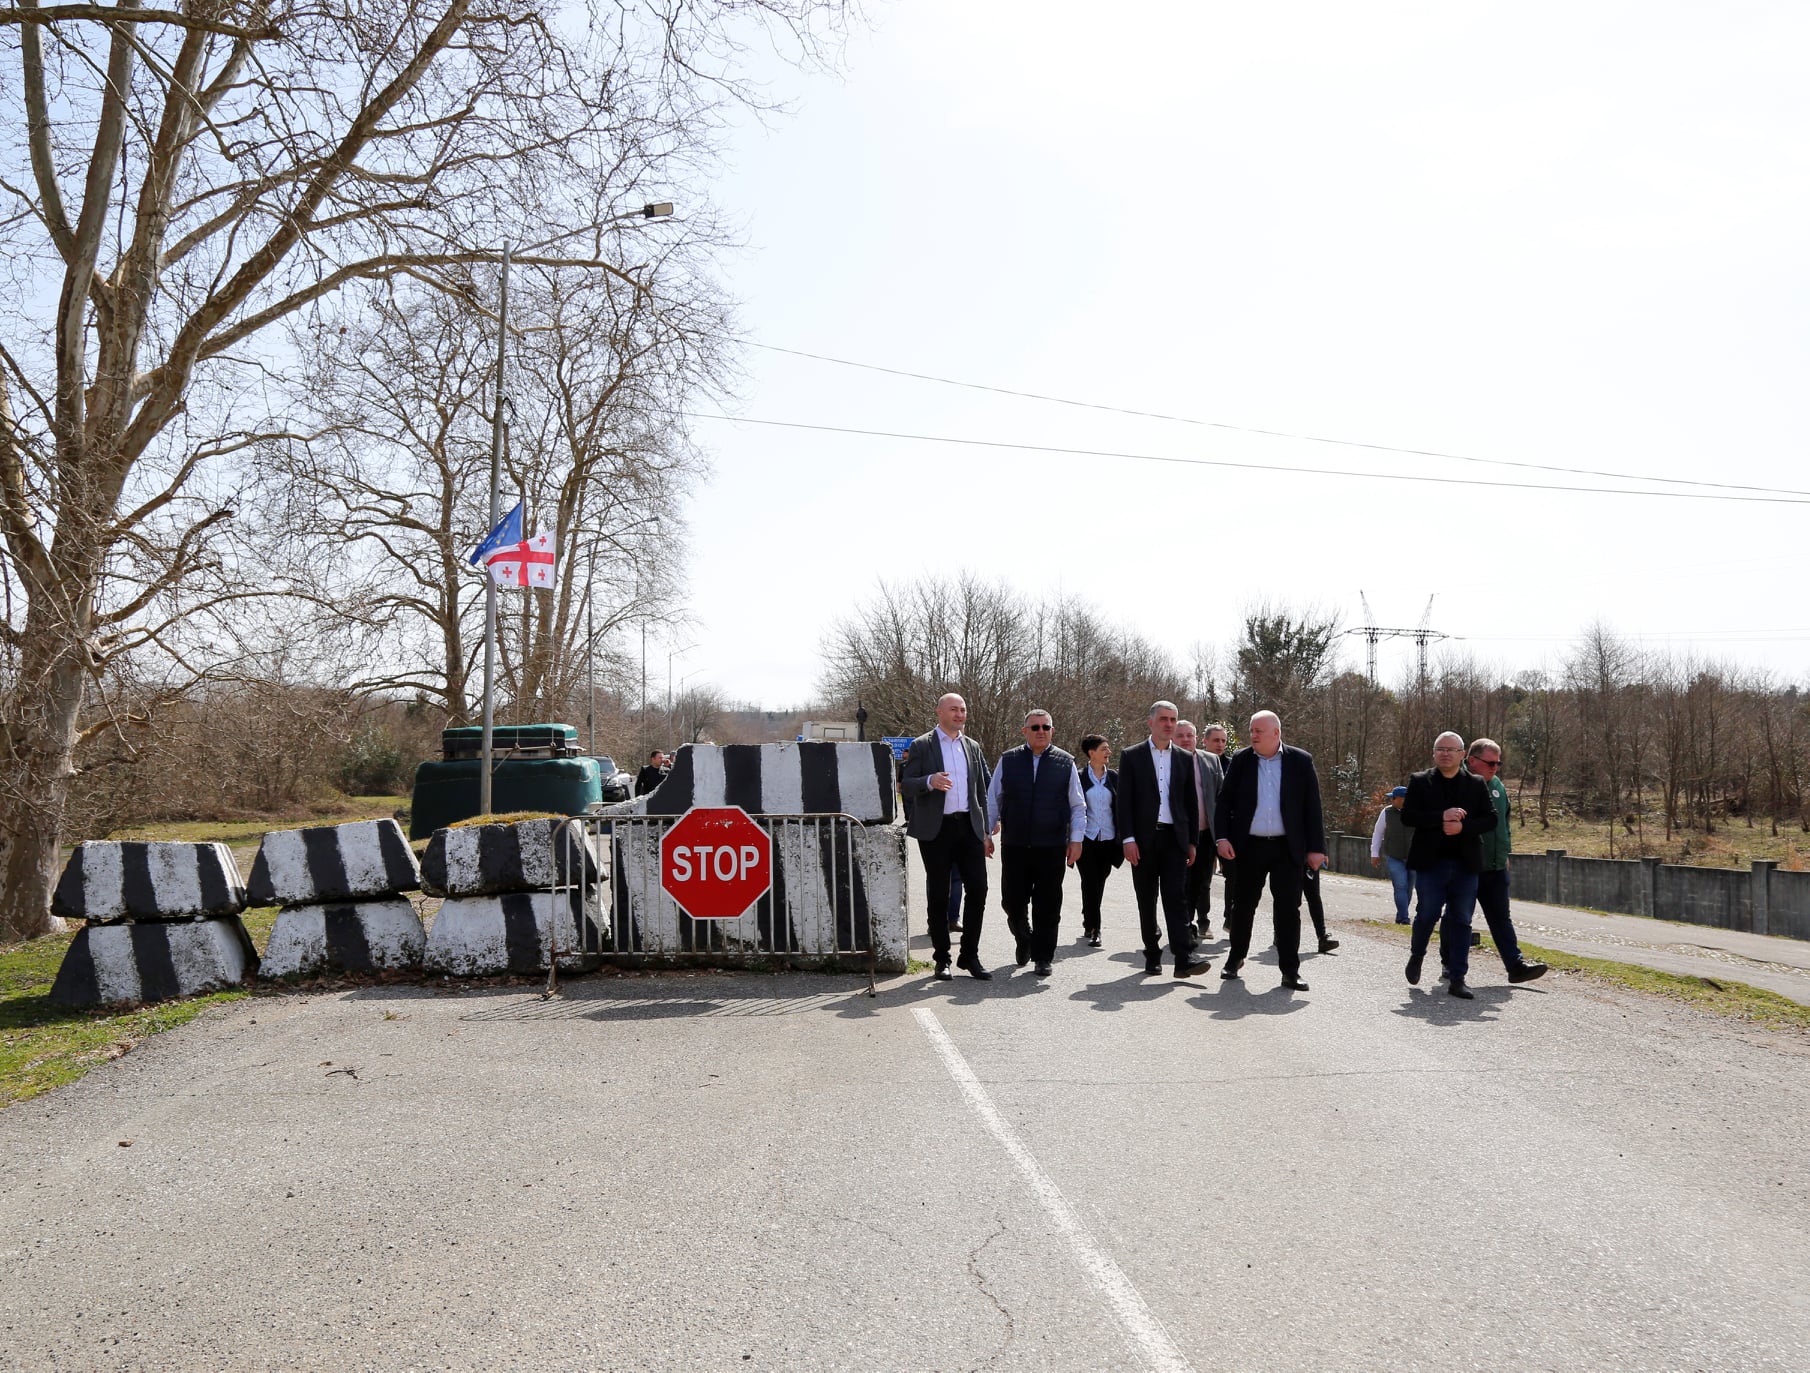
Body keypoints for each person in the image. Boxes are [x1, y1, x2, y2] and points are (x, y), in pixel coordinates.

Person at [1214, 710, 1326, 992]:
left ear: (1276, 733)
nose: (1253, 735)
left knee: (1288, 909)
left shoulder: (1300, 761)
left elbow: (1313, 807)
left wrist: (1316, 848)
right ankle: (1235, 958)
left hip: (1287, 848)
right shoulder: (1241, 760)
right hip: (1249, 846)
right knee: (1243, 906)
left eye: (1259, 731)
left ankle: (1290, 971)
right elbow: (1224, 802)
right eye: (1251, 730)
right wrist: (1222, 838)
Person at [899, 693, 995, 981]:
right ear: (939, 712)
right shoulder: (922, 745)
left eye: (963, 709)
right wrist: (930, 781)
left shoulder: (972, 746)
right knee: (939, 894)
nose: (959, 714)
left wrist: (986, 830)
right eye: (953, 709)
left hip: (968, 826)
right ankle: (942, 958)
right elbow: (906, 784)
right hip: (936, 829)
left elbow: (981, 791)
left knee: (978, 889)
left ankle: (969, 956)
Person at [1114, 701, 1212, 979]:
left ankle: (1183, 958)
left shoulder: (1183, 757)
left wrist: (1192, 841)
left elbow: (1190, 802)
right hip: (1143, 840)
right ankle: (1152, 952)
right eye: (1164, 719)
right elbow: (1124, 802)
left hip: (1174, 839)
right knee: (1147, 899)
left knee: (1176, 898)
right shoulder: (1132, 756)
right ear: (1151, 722)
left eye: (1173, 719)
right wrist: (1128, 839)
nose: (1169, 724)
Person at [985, 709, 1085, 977]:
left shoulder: (1065, 762)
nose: (1041, 731)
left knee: (1048, 904)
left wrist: (1076, 840)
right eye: (1035, 727)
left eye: (1046, 727)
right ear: (1024, 731)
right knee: (1012, 901)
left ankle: (1043, 956)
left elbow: (1077, 805)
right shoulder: (1008, 760)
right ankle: (1023, 936)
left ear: (1052, 731)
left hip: (1051, 845)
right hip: (1015, 844)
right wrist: (986, 833)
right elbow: (993, 799)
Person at [1401, 731, 1498, 999]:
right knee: (1427, 914)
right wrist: (1440, 818)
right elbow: (1408, 817)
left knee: (1462, 920)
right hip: (1431, 863)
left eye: (1451, 749)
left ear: (1462, 755)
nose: (1445, 753)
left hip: (1465, 864)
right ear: (1434, 753)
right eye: (1440, 749)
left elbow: (1491, 819)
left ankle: (1458, 978)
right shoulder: (1420, 781)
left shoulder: (1476, 784)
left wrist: (1463, 827)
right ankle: (1417, 955)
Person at [1467, 738, 1549, 985]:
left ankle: (1516, 966)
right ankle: (1450, 965)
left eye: (1498, 763)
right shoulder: (1458, 784)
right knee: (1459, 917)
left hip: (1496, 866)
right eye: (1490, 763)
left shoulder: (1498, 787)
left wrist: (1505, 854)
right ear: (1472, 760)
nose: (1495, 768)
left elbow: (1504, 824)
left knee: (1501, 918)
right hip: (1467, 865)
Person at [1174, 720, 1223, 942]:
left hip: (1205, 834)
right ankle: (1183, 926)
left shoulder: (1211, 760)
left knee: (1201, 882)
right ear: (1173, 738)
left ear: (1196, 738)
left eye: (1189, 735)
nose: (1186, 740)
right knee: (1180, 882)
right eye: (1180, 735)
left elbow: (1221, 796)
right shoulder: (1168, 761)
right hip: (1178, 835)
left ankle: (1191, 922)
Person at [1074, 734, 1121, 947]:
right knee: (1090, 881)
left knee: (1099, 882)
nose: (1108, 752)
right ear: (1091, 753)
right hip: (1086, 839)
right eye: (1104, 749)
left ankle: (1088, 917)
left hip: (1108, 839)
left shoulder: (1114, 777)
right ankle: (1096, 928)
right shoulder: (1079, 777)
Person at [1201, 723, 1236, 908]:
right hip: (1205, 829)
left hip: (1227, 830)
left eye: (1223, 740)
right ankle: (1202, 918)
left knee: (1233, 876)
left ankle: (1229, 917)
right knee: (1204, 877)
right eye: (1216, 740)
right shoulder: (1197, 763)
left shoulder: (1233, 765)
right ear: (1205, 741)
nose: (1220, 744)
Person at [1369, 787, 1414, 924]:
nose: (1391, 800)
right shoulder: (1386, 812)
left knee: (1408, 888)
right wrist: (1374, 853)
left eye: (1393, 798)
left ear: (1401, 799)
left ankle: (1401, 915)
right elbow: (1378, 833)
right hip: (1394, 856)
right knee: (1400, 885)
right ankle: (1404, 917)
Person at [1301, 863, 1339, 953]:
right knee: (1288, 900)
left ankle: (1322, 938)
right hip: (1289, 860)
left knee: (1314, 897)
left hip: (1310, 860)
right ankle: (1279, 933)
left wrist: (1323, 855)